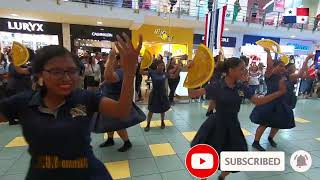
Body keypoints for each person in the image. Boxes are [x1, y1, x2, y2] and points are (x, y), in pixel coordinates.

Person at [0, 33, 142, 180]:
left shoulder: (85, 98)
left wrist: (130, 71)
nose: (66, 78)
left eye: (72, 71)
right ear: (40, 74)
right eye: (56, 72)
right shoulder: (23, 102)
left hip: (88, 173)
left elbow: (122, 110)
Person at [188, 57, 287, 180]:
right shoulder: (216, 85)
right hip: (216, 124)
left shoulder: (242, 87)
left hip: (233, 125)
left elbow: (257, 101)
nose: (244, 71)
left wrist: (279, 93)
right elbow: (192, 94)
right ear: (230, 70)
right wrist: (190, 73)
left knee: (236, 156)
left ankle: (222, 177)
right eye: (241, 69)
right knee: (208, 154)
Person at [250, 50, 312, 151]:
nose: (283, 68)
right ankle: (256, 142)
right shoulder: (269, 76)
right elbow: (269, 66)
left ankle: (270, 138)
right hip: (269, 102)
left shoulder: (286, 76)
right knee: (264, 123)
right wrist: (269, 53)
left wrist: (306, 60)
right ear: (274, 67)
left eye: (283, 66)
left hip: (281, 103)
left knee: (279, 122)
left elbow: (300, 74)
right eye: (280, 66)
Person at [98, 50, 145, 152]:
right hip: (109, 100)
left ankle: (127, 142)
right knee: (108, 123)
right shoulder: (119, 70)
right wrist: (103, 84)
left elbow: (109, 76)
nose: (114, 61)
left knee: (117, 124)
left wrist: (110, 59)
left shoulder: (122, 71)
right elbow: (108, 79)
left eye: (116, 60)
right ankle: (110, 139)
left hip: (116, 101)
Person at [140, 60, 170, 132]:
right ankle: (148, 124)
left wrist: (178, 68)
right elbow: (141, 72)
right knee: (151, 110)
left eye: (163, 66)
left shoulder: (165, 74)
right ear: (157, 66)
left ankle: (162, 122)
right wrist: (142, 64)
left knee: (162, 110)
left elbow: (174, 76)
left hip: (162, 94)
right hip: (154, 94)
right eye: (161, 65)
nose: (162, 67)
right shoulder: (152, 72)